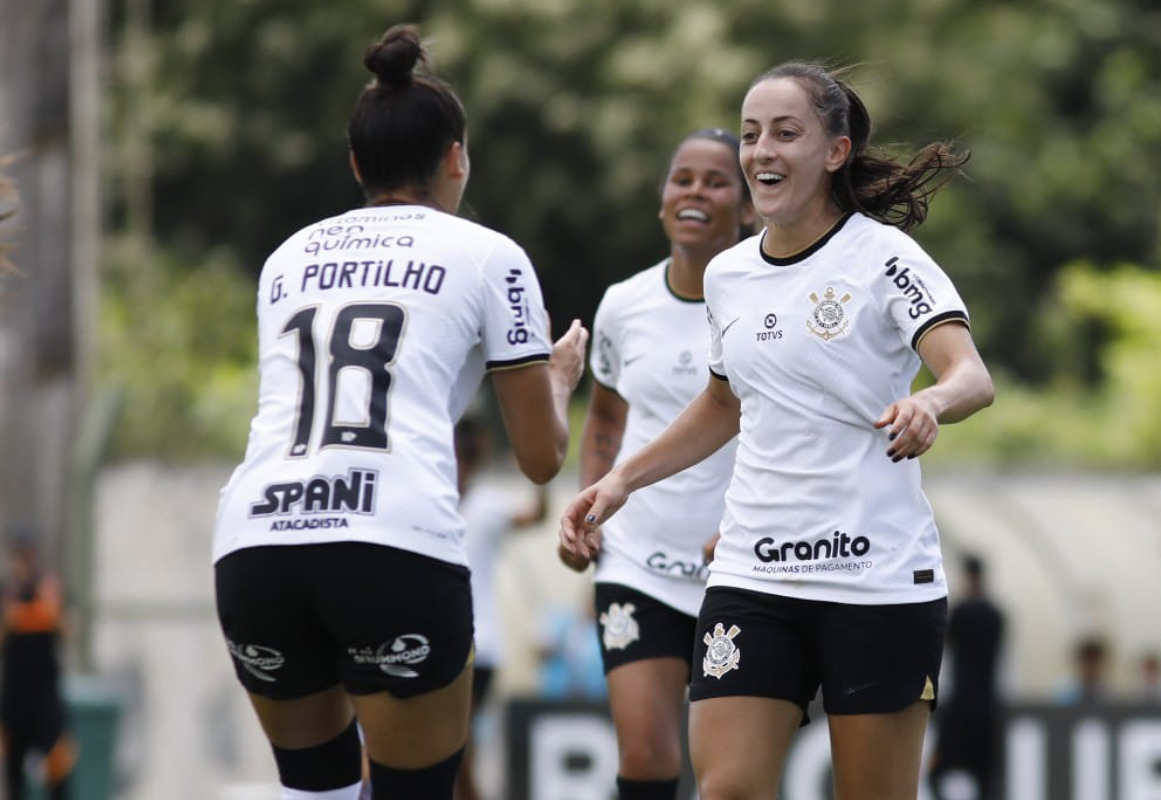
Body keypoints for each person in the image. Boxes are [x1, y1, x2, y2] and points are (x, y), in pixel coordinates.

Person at [560, 60, 994, 800]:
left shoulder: (885, 257)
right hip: (752, 574)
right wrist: (619, 481)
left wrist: (930, 404)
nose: (762, 150)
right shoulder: (729, 276)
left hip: (876, 579)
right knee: (725, 789)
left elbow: (970, 376)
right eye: (753, 134)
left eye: (786, 134)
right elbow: (722, 405)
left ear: (835, 152)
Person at [211, 24, 587, 800]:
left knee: (316, 787)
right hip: (389, 538)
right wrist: (557, 378)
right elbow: (541, 458)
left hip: (257, 540)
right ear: (457, 157)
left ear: (355, 164)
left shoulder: (288, 257)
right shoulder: (489, 254)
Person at [560, 128, 755, 800]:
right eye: (682, 178)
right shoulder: (624, 303)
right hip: (636, 564)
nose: (696, 191)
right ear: (663, 198)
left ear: (750, 206)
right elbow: (607, 421)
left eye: (716, 181)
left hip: (743, 569)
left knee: (729, 778)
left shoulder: (769, 303)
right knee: (644, 758)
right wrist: (590, 508)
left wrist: (753, 522)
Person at [453, 417, 549, 800]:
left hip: (481, 643)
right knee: (450, 745)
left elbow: (536, 516)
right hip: (445, 637)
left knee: (456, 744)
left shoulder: (488, 505)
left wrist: (534, 473)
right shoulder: (433, 499)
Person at [1, 527, 75, 800]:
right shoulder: (6, 594)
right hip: (14, 698)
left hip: (46, 698)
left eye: (27, 555)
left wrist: (51, 609)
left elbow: (70, 630)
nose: (23, 563)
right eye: (19, 556)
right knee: (14, 776)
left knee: (58, 772)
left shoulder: (49, 590)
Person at [929, 555, 1006, 800]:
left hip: (961, 705)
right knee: (985, 776)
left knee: (940, 771)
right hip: (987, 705)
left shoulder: (962, 612)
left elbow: (946, 647)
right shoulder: (996, 615)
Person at [1054, 636, 1111, 705]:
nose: (1091, 666)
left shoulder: (1107, 693)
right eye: (1088, 661)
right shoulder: (1063, 690)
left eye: (1095, 662)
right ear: (1079, 662)